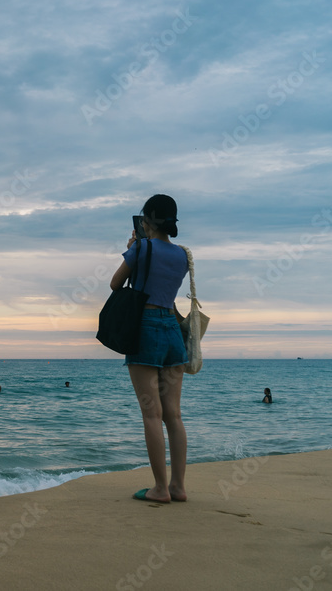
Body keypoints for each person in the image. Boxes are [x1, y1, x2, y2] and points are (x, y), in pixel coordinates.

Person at [109, 194, 189, 504]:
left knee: (151, 415)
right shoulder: (183, 255)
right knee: (174, 416)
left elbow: (116, 284)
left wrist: (133, 247)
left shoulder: (141, 249)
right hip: (172, 330)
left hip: (145, 329)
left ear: (146, 222)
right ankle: (178, 487)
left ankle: (159, 489)